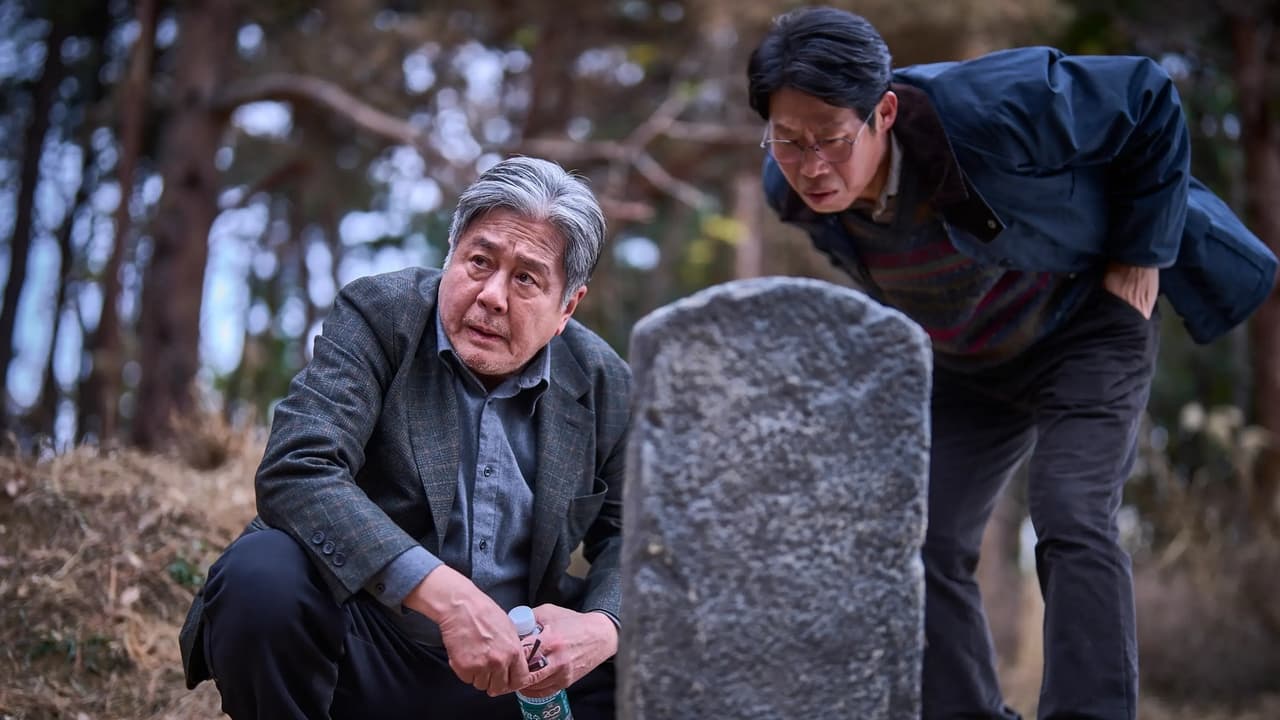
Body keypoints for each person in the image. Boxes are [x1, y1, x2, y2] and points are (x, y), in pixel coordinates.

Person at [747, 7, 1276, 720]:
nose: (812, 166)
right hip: (968, 364)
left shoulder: (993, 108)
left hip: (1082, 325)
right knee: (920, 533)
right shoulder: (787, 190)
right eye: (788, 139)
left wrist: (1139, 256)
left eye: (832, 139)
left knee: (1072, 512)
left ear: (885, 113)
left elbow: (1148, 96)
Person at [178, 156, 631, 720]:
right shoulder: (379, 315)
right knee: (262, 574)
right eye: (479, 262)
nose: (492, 296)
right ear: (451, 254)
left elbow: (634, 536)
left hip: (518, 678)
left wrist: (602, 627)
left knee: (658, 641)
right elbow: (299, 468)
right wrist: (446, 595)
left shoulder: (604, 381)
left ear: (567, 307)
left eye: (526, 279)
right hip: (368, 649)